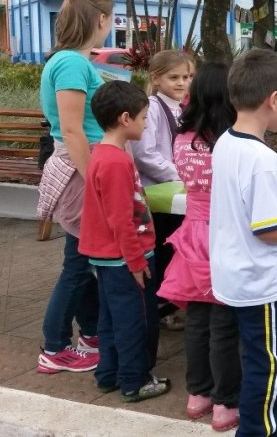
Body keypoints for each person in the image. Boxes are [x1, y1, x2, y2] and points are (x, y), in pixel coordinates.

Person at [209, 49, 277, 437]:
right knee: (270, 364)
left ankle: (270, 419)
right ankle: (261, 429)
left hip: (238, 272)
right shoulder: (262, 159)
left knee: (261, 358)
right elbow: (266, 229)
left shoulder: (225, 142)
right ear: (273, 100)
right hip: (262, 280)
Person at [156, 62, 241, 431]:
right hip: (225, 235)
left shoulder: (182, 138)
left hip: (192, 234)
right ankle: (226, 403)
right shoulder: (233, 142)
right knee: (224, 324)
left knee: (196, 320)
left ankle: (198, 395)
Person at [79, 80, 171, 403]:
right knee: (135, 321)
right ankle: (135, 380)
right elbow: (121, 219)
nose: (146, 124)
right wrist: (136, 261)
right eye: (144, 118)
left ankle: (109, 374)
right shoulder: (116, 162)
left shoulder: (102, 154)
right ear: (125, 118)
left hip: (107, 258)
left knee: (111, 318)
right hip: (126, 259)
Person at [37, 0, 111, 374]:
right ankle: (55, 347)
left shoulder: (70, 60)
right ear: (100, 19)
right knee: (78, 265)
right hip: (81, 168)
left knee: (82, 259)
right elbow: (71, 129)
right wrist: (94, 179)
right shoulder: (71, 63)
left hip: (82, 164)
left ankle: (92, 334)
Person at [131, 50, 196, 331]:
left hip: (174, 193)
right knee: (162, 252)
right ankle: (159, 308)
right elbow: (144, 154)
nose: (182, 83)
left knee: (173, 251)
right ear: (156, 78)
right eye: (174, 77)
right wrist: (182, 174)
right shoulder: (153, 107)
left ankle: (169, 305)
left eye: (187, 77)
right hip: (158, 194)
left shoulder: (180, 108)